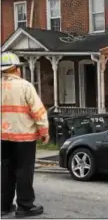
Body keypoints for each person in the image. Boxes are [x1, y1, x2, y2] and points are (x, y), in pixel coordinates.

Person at [1, 52, 49, 217]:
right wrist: (44, 131)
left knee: (6, 170)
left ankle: (4, 206)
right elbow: (38, 111)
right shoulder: (25, 86)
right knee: (23, 171)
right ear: (15, 69)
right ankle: (25, 206)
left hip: (3, 137)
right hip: (24, 137)